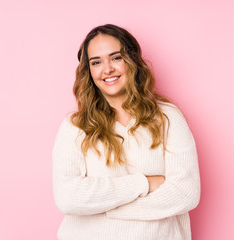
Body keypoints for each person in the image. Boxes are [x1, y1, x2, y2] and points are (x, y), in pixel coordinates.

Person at [52, 23, 201, 240]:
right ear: (89, 71)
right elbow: (67, 197)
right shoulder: (75, 127)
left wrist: (107, 209)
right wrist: (144, 183)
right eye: (96, 62)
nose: (107, 69)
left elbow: (185, 193)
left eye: (116, 58)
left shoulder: (168, 118)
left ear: (132, 61)